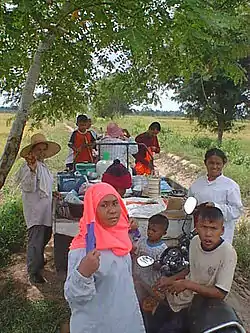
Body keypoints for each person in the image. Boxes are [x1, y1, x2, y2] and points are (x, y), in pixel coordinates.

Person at [64, 183, 145, 333]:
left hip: (125, 318)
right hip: (98, 324)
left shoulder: (119, 238)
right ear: (93, 209)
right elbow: (73, 297)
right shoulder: (83, 249)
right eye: (104, 205)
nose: (112, 210)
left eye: (115, 203)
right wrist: (83, 273)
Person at [150, 206, 237, 333]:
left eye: (213, 228)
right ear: (196, 227)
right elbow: (192, 268)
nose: (208, 234)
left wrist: (187, 284)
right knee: (154, 322)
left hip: (200, 307)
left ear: (222, 230)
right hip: (179, 298)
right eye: (204, 227)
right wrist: (170, 279)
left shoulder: (228, 253)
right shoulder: (195, 241)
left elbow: (220, 293)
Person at [16, 133, 61, 284]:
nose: (41, 153)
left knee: (45, 236)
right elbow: (28, 186)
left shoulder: (43, 166)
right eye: (38, 150)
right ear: (32, 151)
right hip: (35, 211)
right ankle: (33, 272)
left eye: (43, 150)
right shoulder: (28, 168)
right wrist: (32, 169)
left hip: (45, 209)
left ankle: (38, 261)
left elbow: (44, 186)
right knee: (35, 241)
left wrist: (52, 192)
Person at [188, 148, 243, 244]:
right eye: (211, 163)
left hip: (222, 237)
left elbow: (236, 210)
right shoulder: (197, 184)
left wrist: (216, 206)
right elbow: (189, 203)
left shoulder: (230, 186)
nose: (214, 167)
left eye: (218, 164)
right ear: (205, 163)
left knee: (218, 257)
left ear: (223, 164)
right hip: (199, 234)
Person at [133, 214, 168, 304]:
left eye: (154, 231)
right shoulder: (142, 242)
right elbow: (135, 255)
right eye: (149, 229)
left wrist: (156, 264)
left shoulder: (163, 249)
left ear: (164, 233)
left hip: (151, 282)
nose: (150, 232)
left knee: (149, 301)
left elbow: (161, 266)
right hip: (138, 276)